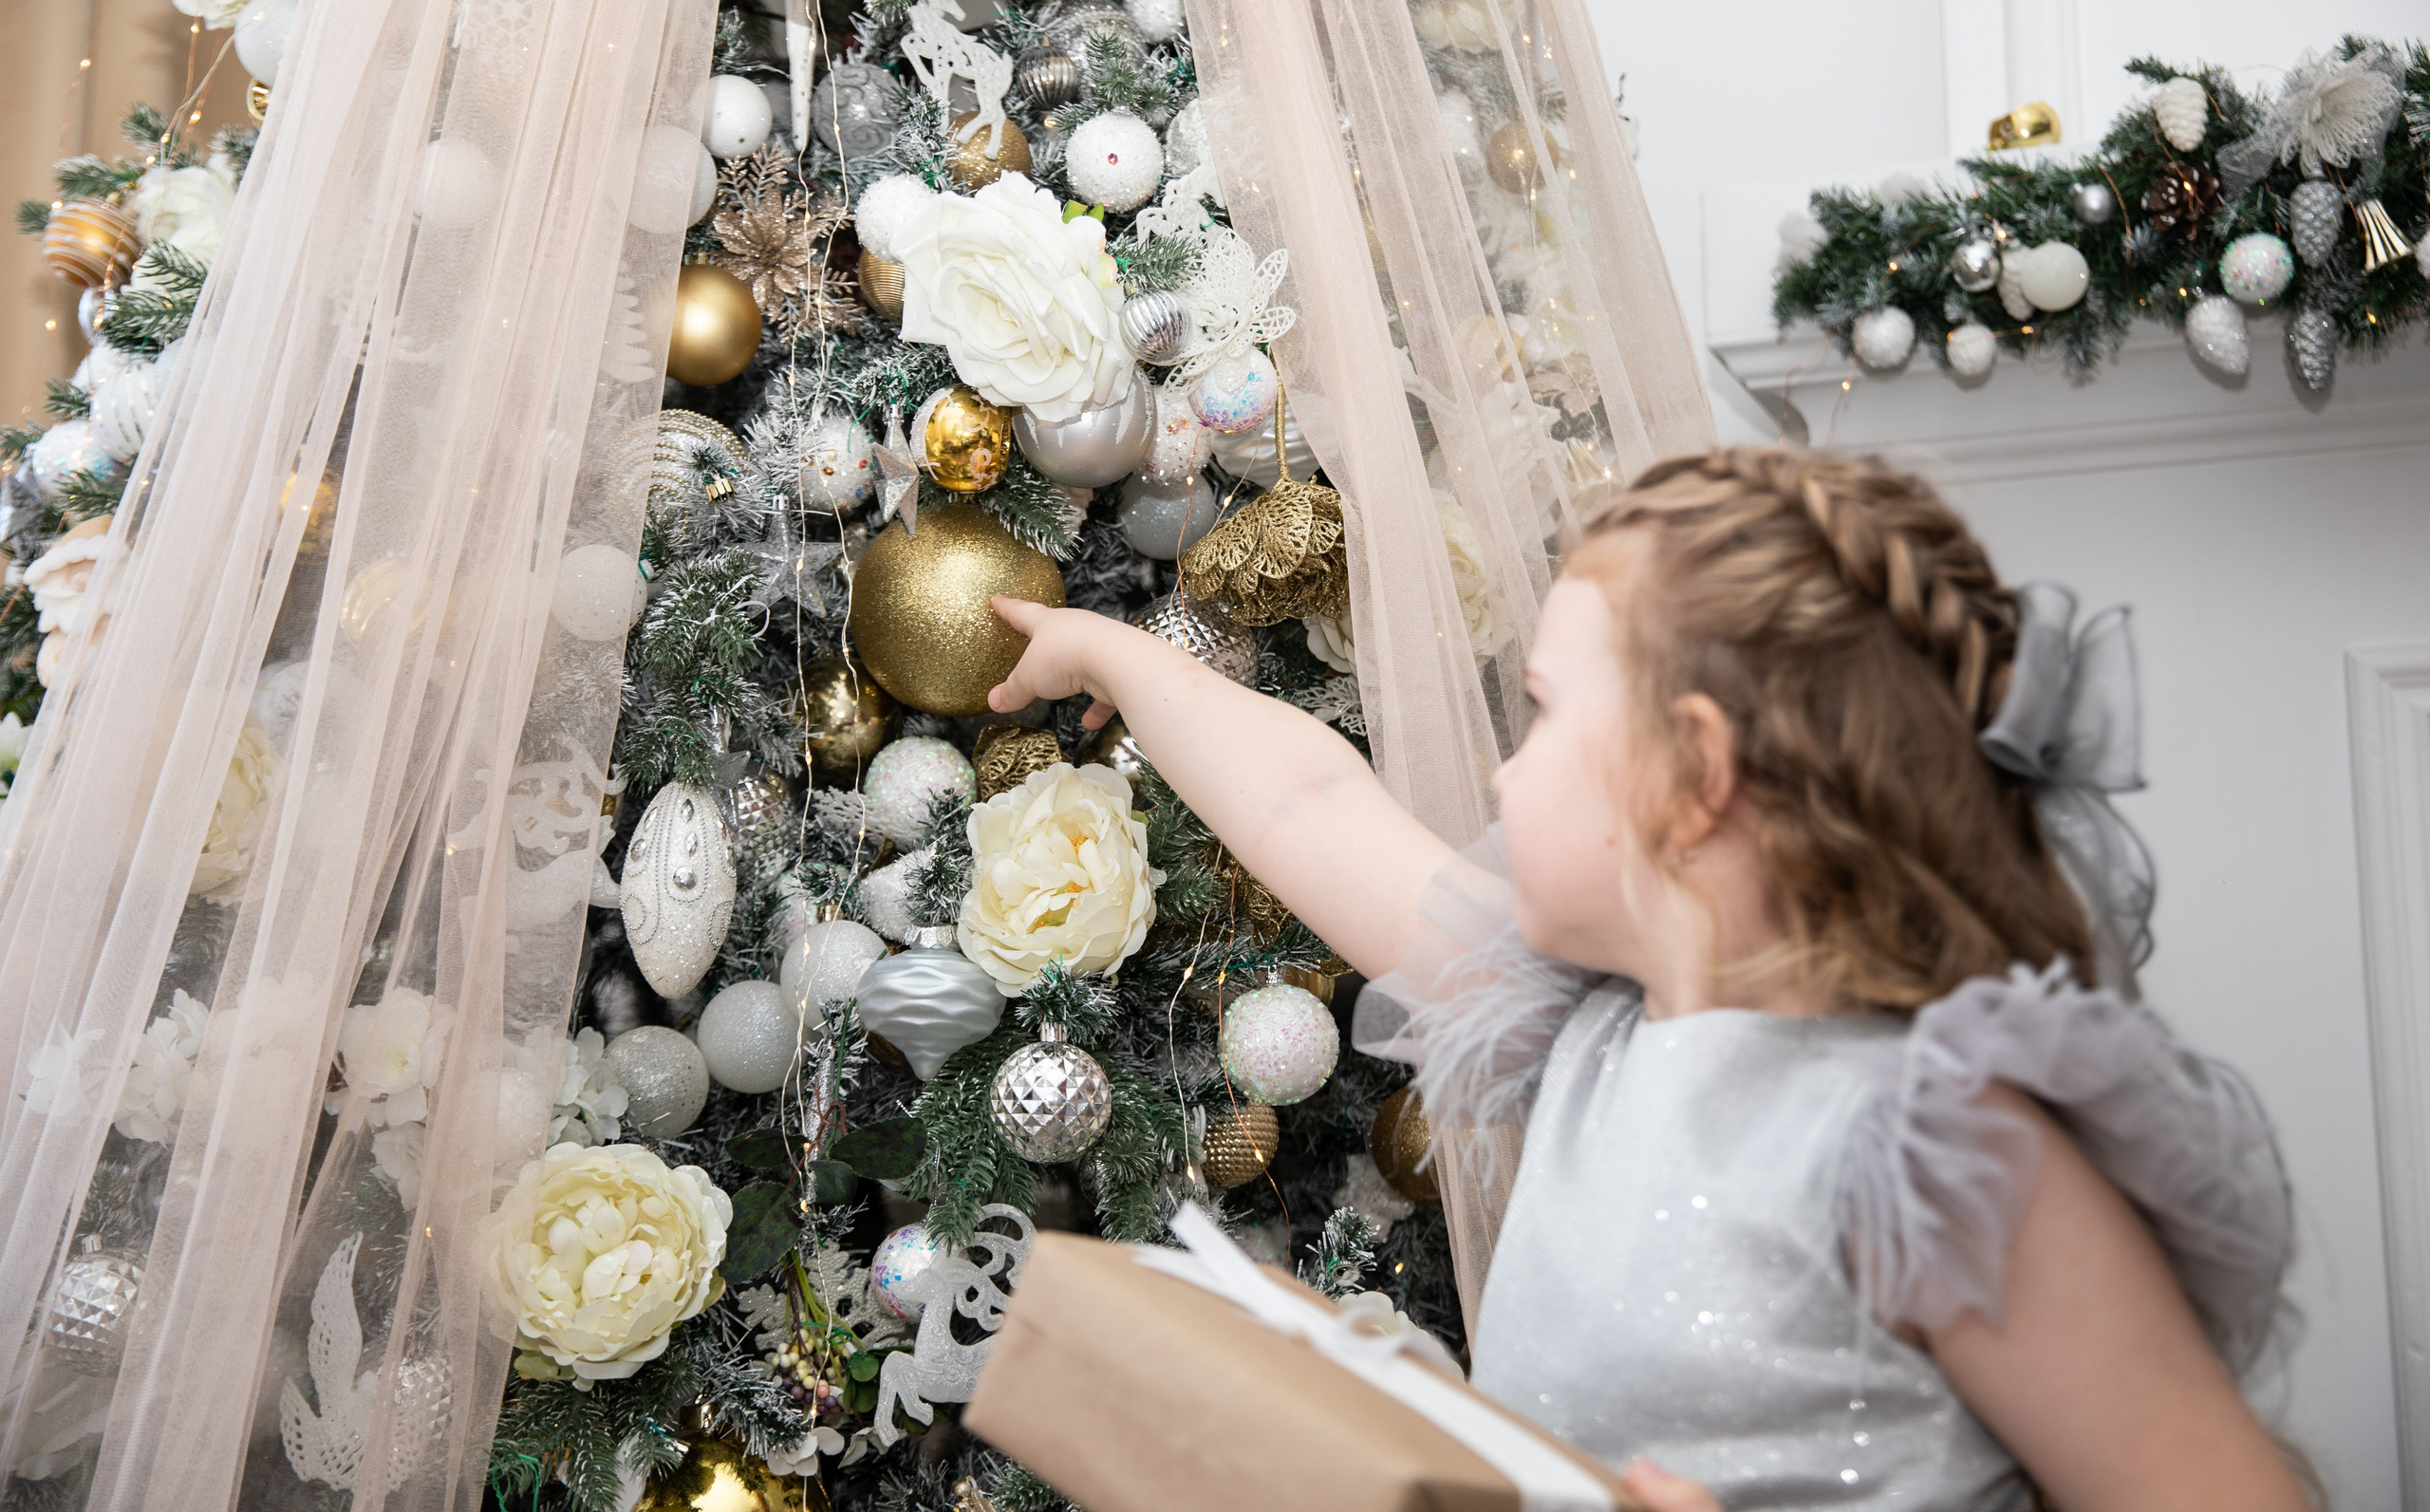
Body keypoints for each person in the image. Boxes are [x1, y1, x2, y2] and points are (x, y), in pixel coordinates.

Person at [982, 447, 2309, 1511]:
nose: (1506, 772)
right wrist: (1112, 653)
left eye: (1547, 712)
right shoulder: (1582, 1027)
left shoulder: (1937, 1145)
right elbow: (1312, 805)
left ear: (1696, 772)